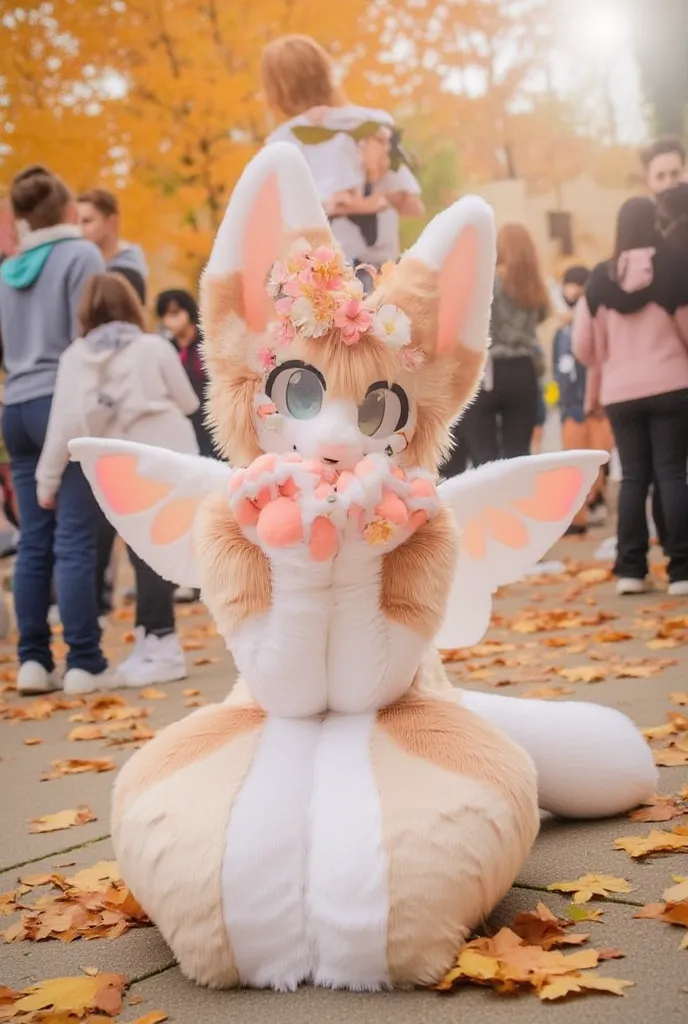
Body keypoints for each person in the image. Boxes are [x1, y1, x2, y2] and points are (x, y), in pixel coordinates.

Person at [36, 273, 200, 689]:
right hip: (166, 460)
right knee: (151, 552)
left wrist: (47, 480)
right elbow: (188, 401)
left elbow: (64, 425)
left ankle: (158, 647)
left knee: (121, 553)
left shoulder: (75, 357)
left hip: (115, 467)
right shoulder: (154, 346)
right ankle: (156, 642)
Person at [0, 165, 108, 694]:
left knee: (34, 541)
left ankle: (32, 662)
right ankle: (84, 663)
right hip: (60, 403)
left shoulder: (6, 270)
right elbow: (86, 339)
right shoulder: (82, 255)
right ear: (68, 210)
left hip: (15, 407)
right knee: (73, 538)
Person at [573, 196, 688, 597]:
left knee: (635, 476)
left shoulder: (600, 279)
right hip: (673, 384)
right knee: (673, 474)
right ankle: (681, 570)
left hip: (621, 392)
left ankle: (631, 570)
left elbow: (583, 348)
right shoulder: (672, 267)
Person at [260, 35, 424, 279]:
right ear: (325, 73)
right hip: (383, 270)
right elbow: (411, 205)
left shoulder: (280, 144)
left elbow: (278, 223)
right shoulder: (375, 125)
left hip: (319, 280)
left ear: (276, 88)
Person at [459, 223, 549, 464]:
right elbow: (542, 316)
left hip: (489, 369)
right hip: (523, 370)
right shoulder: (535, 285)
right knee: (518, 453)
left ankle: (489, 497)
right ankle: (517, 500)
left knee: (484, 456)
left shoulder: (488, 281)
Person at [552, 265, 612, 534]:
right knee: (575, 463)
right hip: (571, 407)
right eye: (570, 284)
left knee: (599, 460)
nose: (574, 290)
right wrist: (556, 403)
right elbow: (556, 372)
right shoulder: (560, 332)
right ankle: (579, 518)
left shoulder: (597, 319)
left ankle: (596, 502)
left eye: (579, 284)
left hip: (596, 405)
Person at [155, 289, 217, 459]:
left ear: (188, 310)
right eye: (165, 314)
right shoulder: (166, 348)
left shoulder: (207, 341)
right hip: (183, 420)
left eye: (175, 312)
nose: (171, 319)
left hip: (212, 415)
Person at [77, 189, 148, 303]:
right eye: (76, 223)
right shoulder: (85, 266)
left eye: (87, 221)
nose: (79, 230)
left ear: (111, 222)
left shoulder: (127, 276)